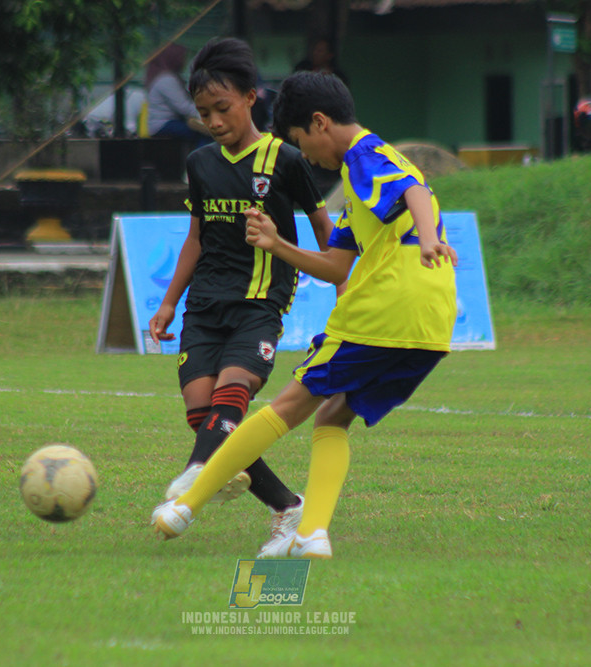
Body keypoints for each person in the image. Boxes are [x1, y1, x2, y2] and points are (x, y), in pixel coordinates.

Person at [151, 71, 459, 559]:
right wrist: (276, 244)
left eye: (300, 142)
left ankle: (185, 505)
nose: (307, 157)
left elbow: (415, 192)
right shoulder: (359, 187)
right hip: (431, 324)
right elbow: (335, 265)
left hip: (385, 310)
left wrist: (427, 239)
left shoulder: (364, 154)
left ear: (320, 123)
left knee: (288, 405)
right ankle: (311, 534)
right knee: (333, 416)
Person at [148, 40, 336, 554]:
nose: (213, 121)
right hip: (204, 306)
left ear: (251, 97)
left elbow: (326, 230)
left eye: (222, 108)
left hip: (259, 303)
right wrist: (168, 303)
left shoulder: (285, 159)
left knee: (232, 394)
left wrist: (345, 285)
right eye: (203, 112)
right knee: (203, 415)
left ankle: (196, 472)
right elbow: (196, 237)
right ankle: (287, 506)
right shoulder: (200, 163)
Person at [145, 44, 210, 147]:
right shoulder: (166, 79)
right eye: (181, 58)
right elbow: (183, 107)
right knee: (203, 133)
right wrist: (204, 113)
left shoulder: (166, 77)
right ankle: (201, 156)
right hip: (163, 124)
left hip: (165, 123)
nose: (183, 61)